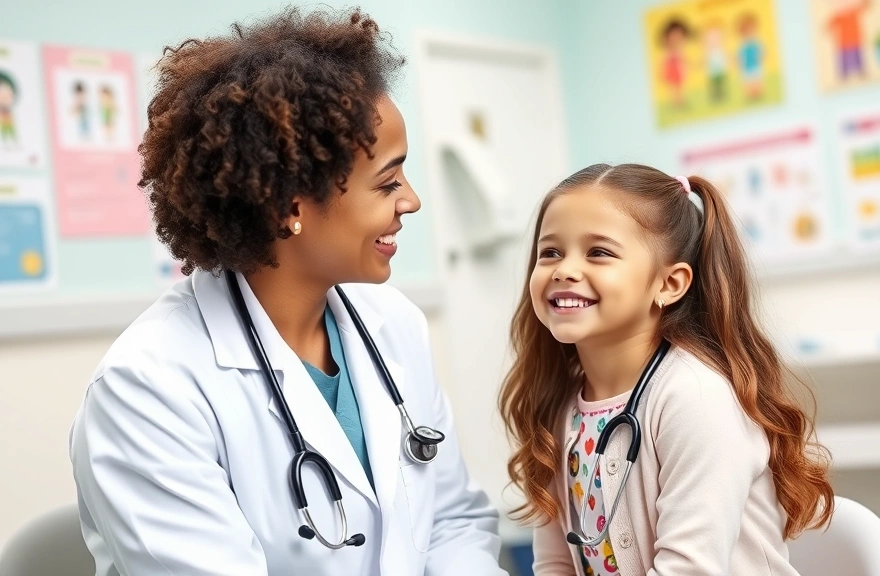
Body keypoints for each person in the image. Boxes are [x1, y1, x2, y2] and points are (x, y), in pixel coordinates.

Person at [69, 7, 506, 576]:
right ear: (291, 205)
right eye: (388, 181)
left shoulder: (392, 323)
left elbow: (451, 522)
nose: (411, 201)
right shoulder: (148, 388)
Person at [498, 163, 833, 575]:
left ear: (669, 284)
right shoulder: (561, 406)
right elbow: (554, 565)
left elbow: (690, 569)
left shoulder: (695, 398)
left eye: (598, 252)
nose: (564, 269)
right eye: (550, 252)